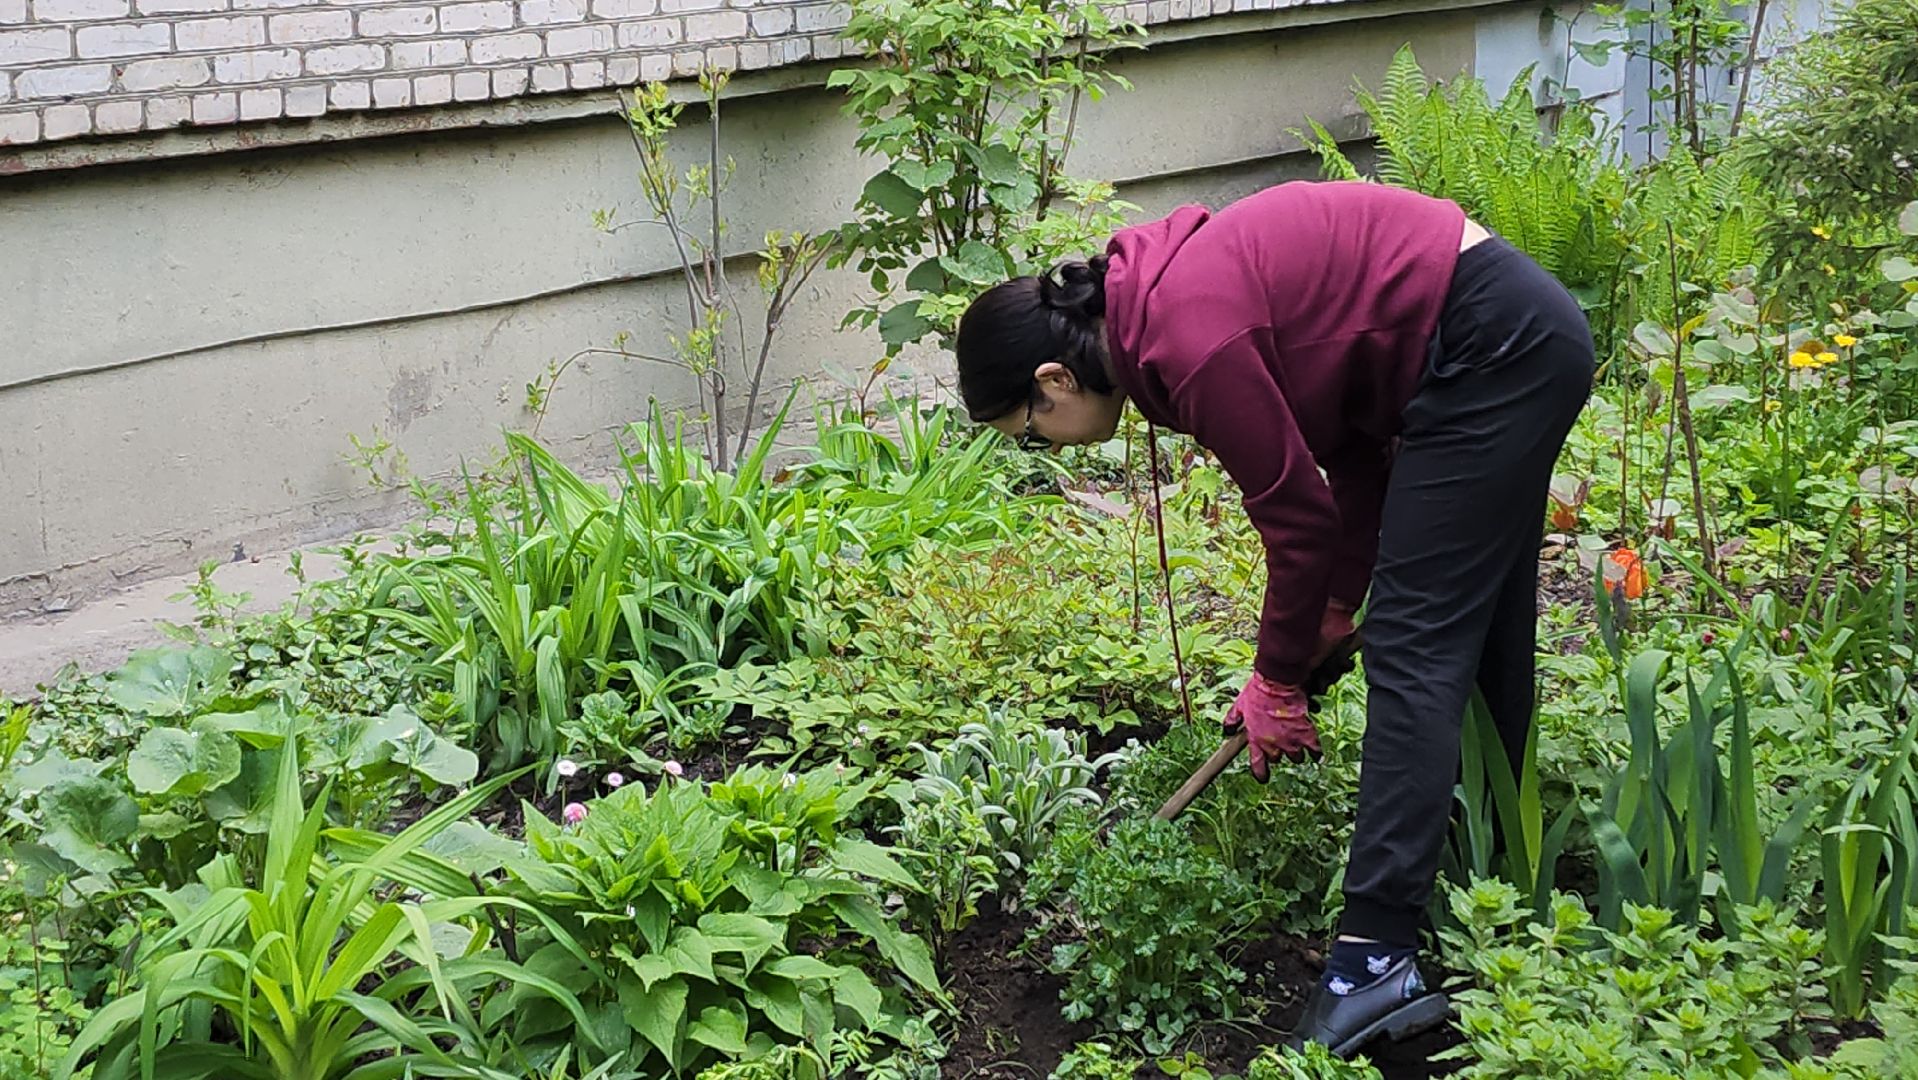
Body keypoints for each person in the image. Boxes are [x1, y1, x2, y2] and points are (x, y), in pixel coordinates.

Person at [952, 180, 1595, 1056]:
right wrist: (1330, 609)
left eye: (1028, 429)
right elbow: (1356, 451)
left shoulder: (1186, 337)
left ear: (1053, 380)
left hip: (1490, 340)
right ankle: (1493, 858)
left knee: (1413, 645)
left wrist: (1278, 678)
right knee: (1470, 618)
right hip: (1492, 336)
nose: (1041, 443)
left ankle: (1371, 963)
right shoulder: (1160, 312)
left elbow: (1299, 519)